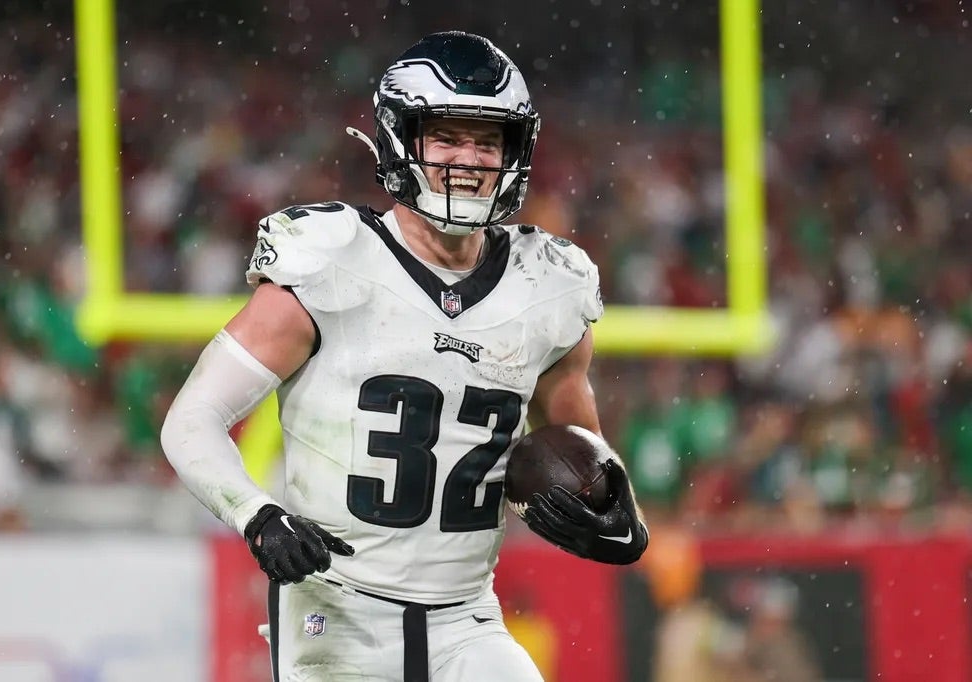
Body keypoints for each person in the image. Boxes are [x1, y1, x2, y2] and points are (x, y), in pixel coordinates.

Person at [161, 30, 648, 682]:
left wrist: (614, 510)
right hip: (335, 610)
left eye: (487, 140)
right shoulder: (332, 262)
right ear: (400, 139)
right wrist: (258, 517)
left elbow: (577, 448)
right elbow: (191, 422)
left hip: (466, 616)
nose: (469, 159)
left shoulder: (547, 289)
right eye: (447, 137)